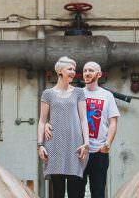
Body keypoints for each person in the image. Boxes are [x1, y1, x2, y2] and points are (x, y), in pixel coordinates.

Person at [45, 61, 120, 198]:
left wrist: (107, 144)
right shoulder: (75, 93)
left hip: (99, 152)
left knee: (98, 193)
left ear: (99, 74)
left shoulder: (107, 96)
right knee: (76, 194)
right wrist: (46, 124)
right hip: (78, 153)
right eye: (85, 71)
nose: (86, 73)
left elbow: (113, 122)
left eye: (91, 70)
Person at [38, 56, 90, 198]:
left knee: (75, 191)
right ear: (60, 71)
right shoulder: (48, 94)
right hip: (54, 145)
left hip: (75, 145)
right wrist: (40, 145)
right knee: (58, 191)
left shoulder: (79, 92)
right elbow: (42, 121)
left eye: (74, 69)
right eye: (70, 69)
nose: (73, 72)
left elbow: (84, 119)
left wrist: (86, 142)